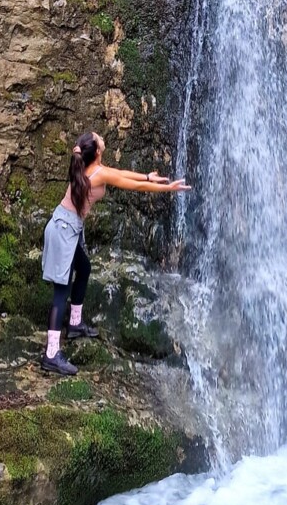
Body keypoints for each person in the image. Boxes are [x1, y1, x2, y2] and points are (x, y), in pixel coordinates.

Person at [40, 130, 189, 376]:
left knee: (84, 269)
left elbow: (121, 174)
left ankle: (75, 323)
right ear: (97, 151)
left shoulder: (92, 166)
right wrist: (167, 188)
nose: (100, 136)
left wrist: (148, 176)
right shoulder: (97, 173)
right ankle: (51, 354)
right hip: (62, 231)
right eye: (98, 138)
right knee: (61, 290)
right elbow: (132, 185)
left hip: (68, 228)